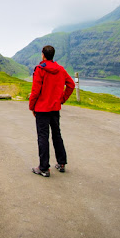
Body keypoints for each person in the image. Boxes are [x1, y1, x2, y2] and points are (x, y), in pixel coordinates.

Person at [29, 45, 75, 177]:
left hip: (42, 109)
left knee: (43, 137)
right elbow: (71, 84)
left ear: (43, 55)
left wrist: (32, 106)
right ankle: (61, 163)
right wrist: (62, 99)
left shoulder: (40, 69)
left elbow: (35, 91)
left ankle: (43, 168)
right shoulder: (60, 69)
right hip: (55, 108)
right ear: (53, 55)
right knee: (56, 134)